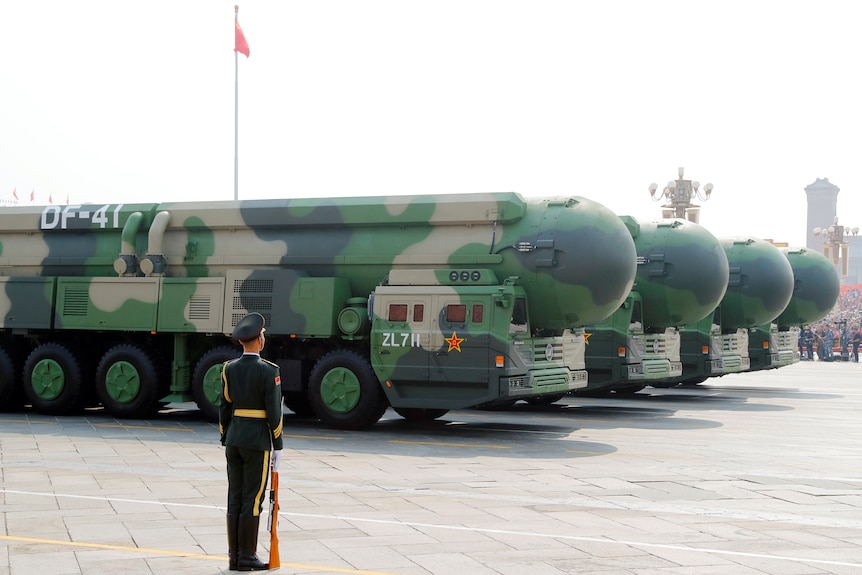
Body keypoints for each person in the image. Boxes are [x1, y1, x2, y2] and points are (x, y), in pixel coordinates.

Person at [219, 312, 284, 571]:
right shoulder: (270, 371)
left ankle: (234, 555)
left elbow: (224, 406)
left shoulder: (229, 368)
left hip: (234, 438)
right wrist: (277, 444)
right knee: (253, 498)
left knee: (234, 495)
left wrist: (226, 435)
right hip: (257, 441)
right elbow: (274, 413)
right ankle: (247, 556)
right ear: (260, 340)